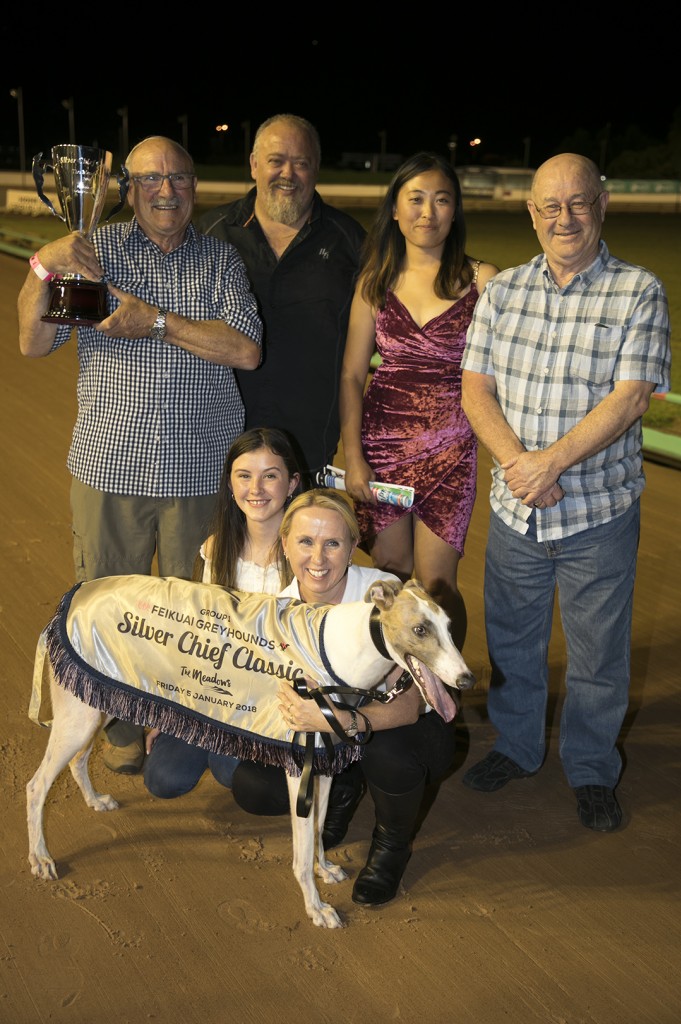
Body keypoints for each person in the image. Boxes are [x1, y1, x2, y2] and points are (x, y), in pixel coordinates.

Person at [17, 135, 263, 775]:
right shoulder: (94, 252)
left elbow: (245, 350)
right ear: (127, 188)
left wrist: (155, 321)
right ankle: (118, 723)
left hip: (200, 471)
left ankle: (179, 726)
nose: (166, 190)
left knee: (190, 612)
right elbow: (32, 342)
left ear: (195, 190)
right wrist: (42, 266)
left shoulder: (219, 262)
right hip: (110, 468)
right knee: (107, 604)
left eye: (179, 179)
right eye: (151, 178)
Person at [460, 153, 671, 833]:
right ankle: (518, 750)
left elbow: (632, 396)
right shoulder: (503, 292)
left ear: (602, 205)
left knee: (598, 659)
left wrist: (547, 464)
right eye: (551, 206)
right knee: (514, 647)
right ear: (532, 213)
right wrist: (523, 465)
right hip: (518, 509)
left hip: (597, 513)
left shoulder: (638, 290)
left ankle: (590, 767)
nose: (565, 218)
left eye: (578, 203)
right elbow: (475, 389)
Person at [230, 488, 458, 907]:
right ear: (285, 544)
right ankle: (345, 788)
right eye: (305, 541)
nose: (318, 559)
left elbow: (409, 704)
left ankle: (391, 846)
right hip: (335, 735)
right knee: (254, 785)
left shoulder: (387, 596)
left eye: (332, 543)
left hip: (404, 728)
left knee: (387, 753)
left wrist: (339, 723)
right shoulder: (278, 613)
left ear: (354, 546)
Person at [339, 152, 498, 650]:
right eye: (416, 199)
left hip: (452, 451)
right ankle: (395, 692)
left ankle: (440, 698)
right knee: (390, 577)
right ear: (395, 210)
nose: (428, 212)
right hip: (383, 450)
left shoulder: (483, 280)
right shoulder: (374, 282)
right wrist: (354, 458)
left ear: (455, 211)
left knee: (438, 586)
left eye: (441, 199)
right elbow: (350, 374)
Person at [198, 114, 366, 486]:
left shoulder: (352, 243)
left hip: (306, 450)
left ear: (316, 168)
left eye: (301, 162)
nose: (287, 173)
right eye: (276, 161)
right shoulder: (208, 234)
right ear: (255, 165)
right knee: (217, 547)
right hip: (214, 445)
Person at [143, 426, 302, 795]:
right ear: (230, 483)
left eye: (270, 476)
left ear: (292, 483)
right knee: (163, 778)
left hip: (274, 699)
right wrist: (172, 708)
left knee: (234, 773)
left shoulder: (307, 553)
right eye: (244, 476)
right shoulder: (217, 549)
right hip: (217, 691)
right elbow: (199, 637)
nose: (256, 489)